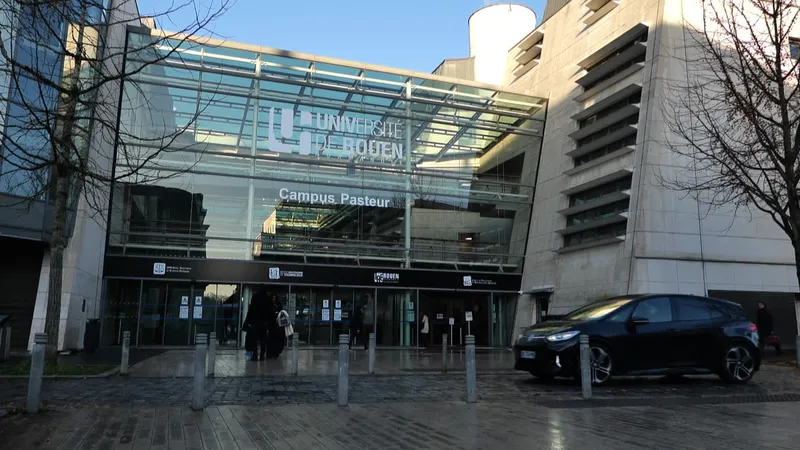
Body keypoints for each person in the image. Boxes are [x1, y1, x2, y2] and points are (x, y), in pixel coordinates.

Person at [242, 287, 269, 361]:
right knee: (263, 340)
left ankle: (254, 356)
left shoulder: (255, 298)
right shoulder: (267, 299)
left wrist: (248, 322)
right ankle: (262, 356)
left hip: (255, 322)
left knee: (254, 340)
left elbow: (251, 311)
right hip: (264, 323)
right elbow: (269, 312)